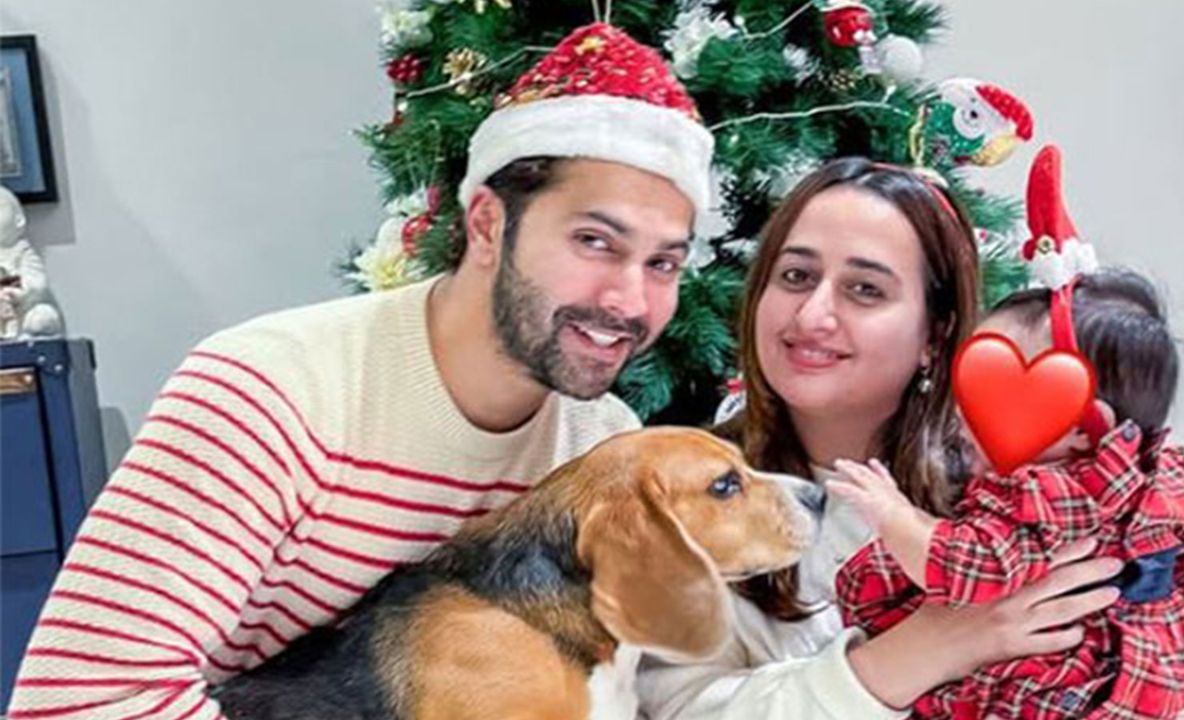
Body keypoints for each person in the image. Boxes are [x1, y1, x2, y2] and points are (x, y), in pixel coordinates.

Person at [8, 22, 714, 718]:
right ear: (487, 224)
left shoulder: (602, 444)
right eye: (595, 241)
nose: (630, 300)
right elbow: (77, 704)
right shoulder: (269, 392)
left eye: (663, 263)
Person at [636, 157, 1184, 720]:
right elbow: (678, 710)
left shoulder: (1038, 489)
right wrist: (922, 651)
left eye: (865, 289)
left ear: (936, 336)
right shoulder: (682, 497)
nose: (812, 315)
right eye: (795, 275)